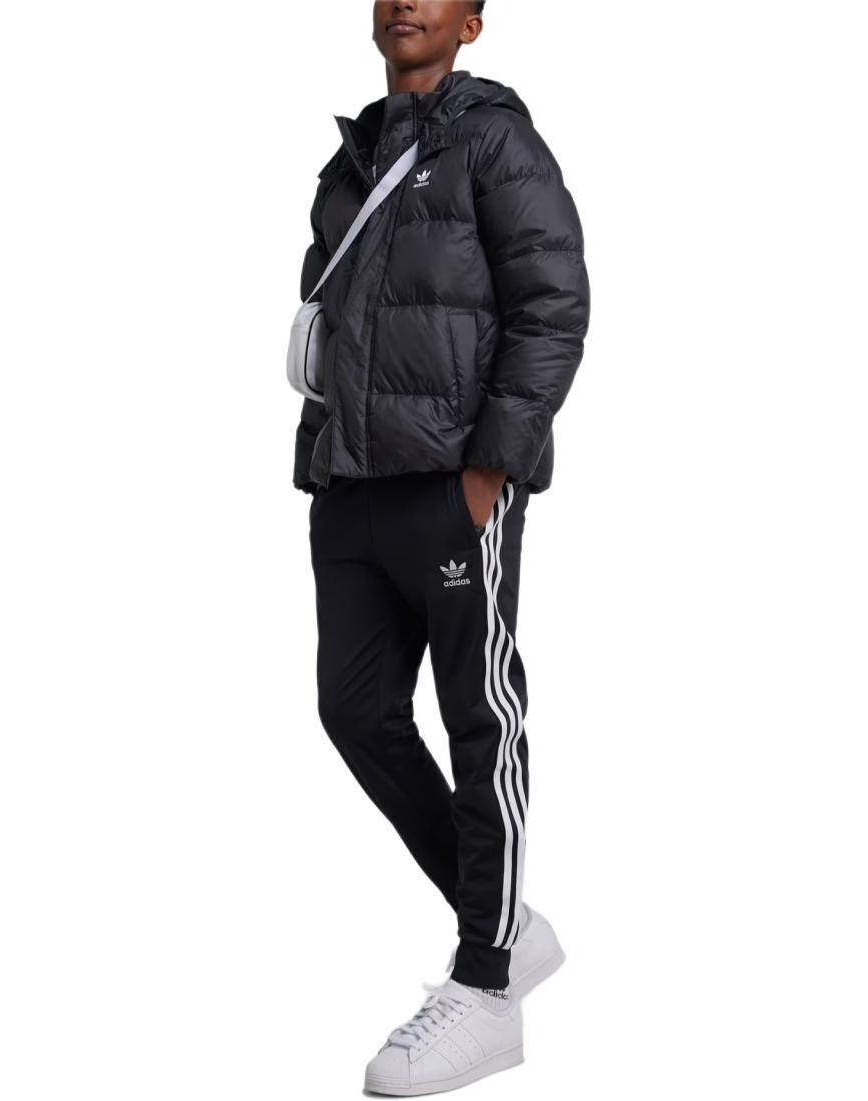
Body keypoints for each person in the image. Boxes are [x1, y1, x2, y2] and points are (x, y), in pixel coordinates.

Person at [294, 2, 591, 1093]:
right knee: (354, 710)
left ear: (472, 21)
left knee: (479, 714)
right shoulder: (351, 160)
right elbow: (330, 325)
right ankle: (504, 919)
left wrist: (490, 466)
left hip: (453, 481)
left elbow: (554, 303)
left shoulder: (496, 141)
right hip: (352, 486)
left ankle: (486, 983)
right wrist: (318, 457)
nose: (403, 1)